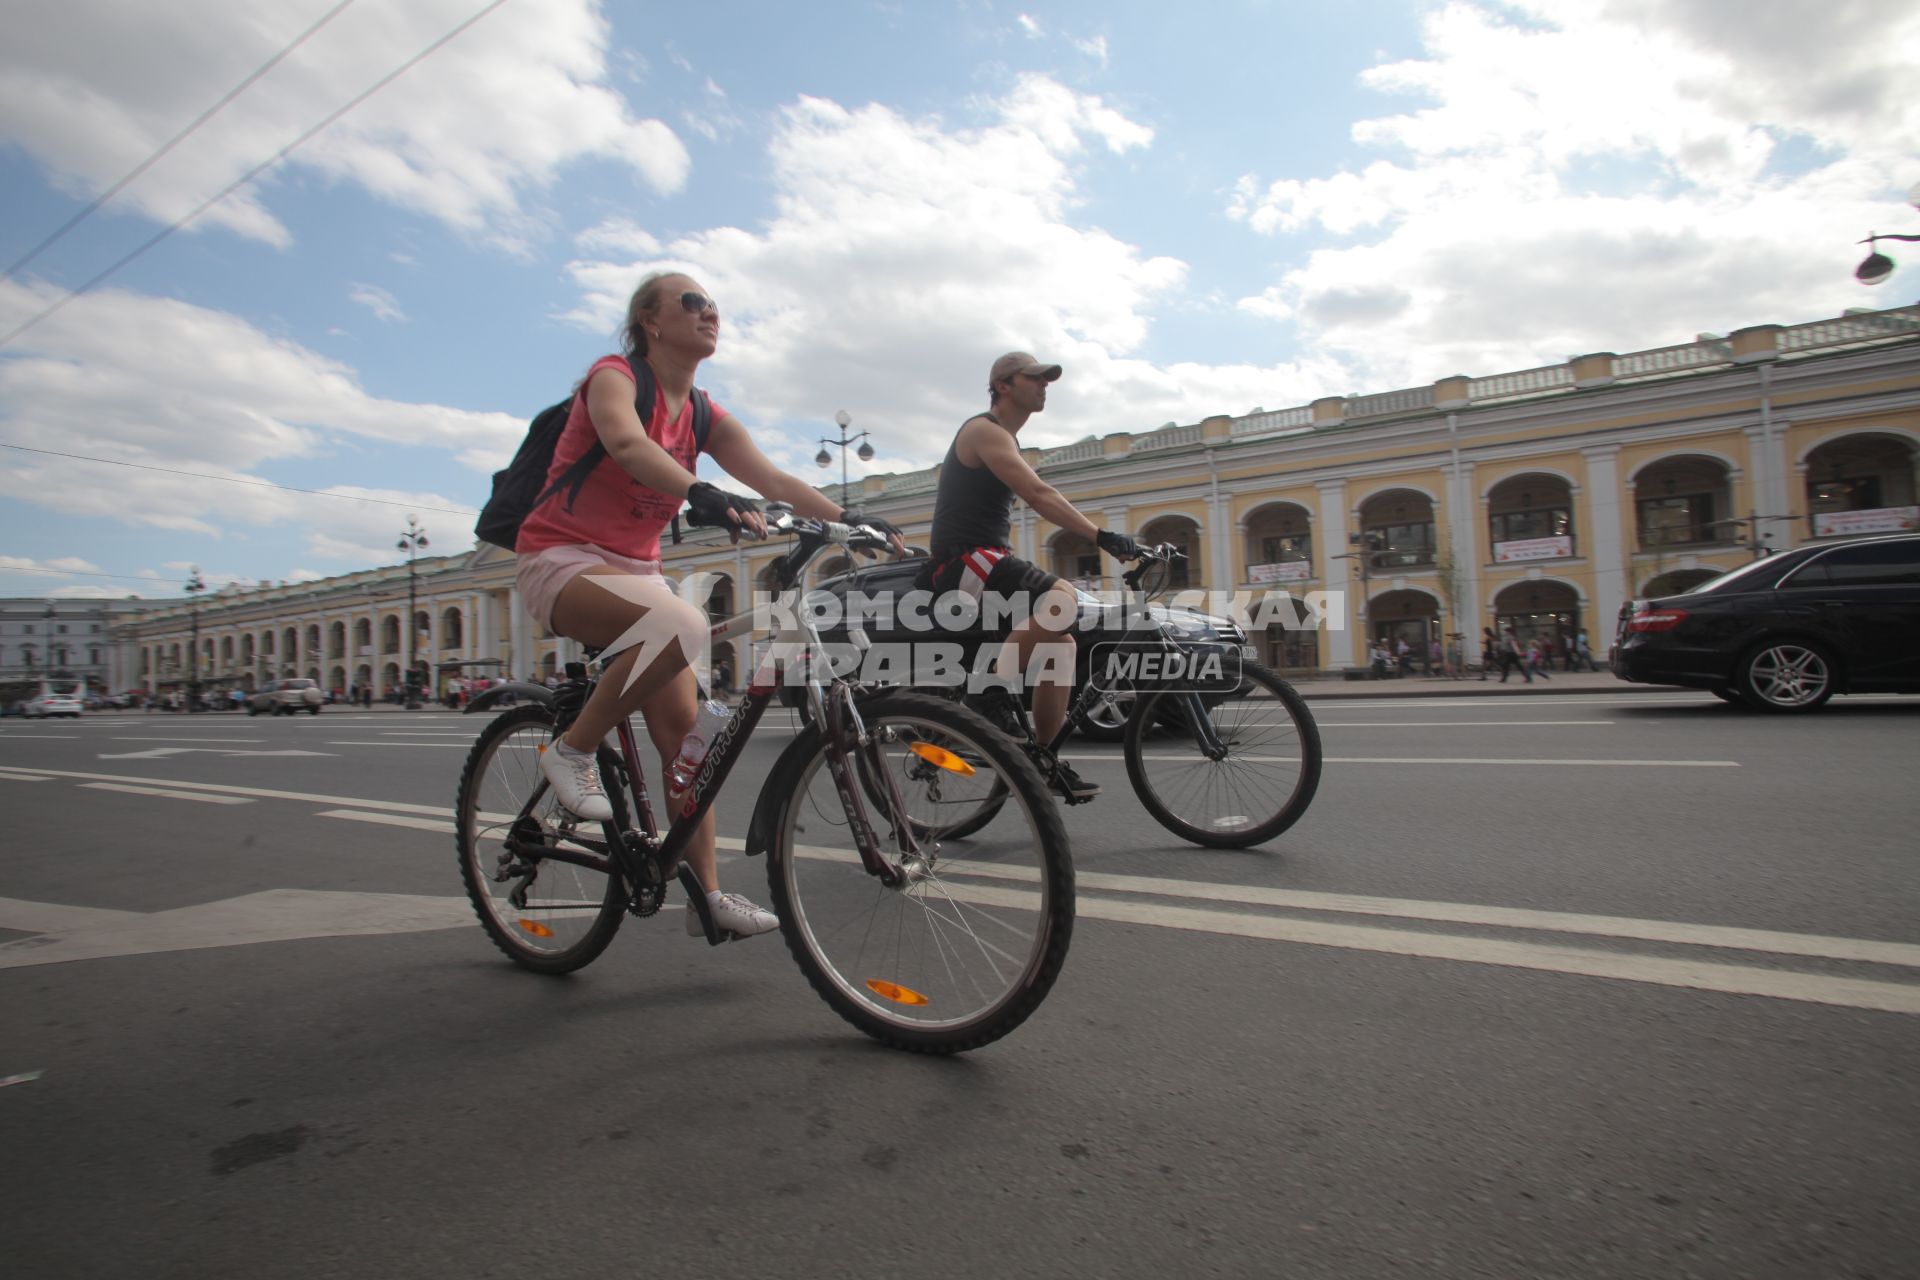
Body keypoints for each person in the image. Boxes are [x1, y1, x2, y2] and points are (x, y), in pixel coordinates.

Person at [518, 270, 903, 942]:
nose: (709, 313)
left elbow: (774, 479)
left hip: (637, 572)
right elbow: (626, 443)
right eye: (692, 303)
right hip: (563, 557)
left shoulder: (701, 410)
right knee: (685, 621)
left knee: (688, 748)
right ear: (651, 322)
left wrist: (855, 518)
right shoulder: (615, 376)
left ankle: (708, 897)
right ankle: (572, 751)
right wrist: (705, 495)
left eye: (714, 305)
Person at [918, 352, 1138, 800]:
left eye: (1047, 379)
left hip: (984, 560)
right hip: (962, 563)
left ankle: (1041, 759)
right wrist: (1104, 536)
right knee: (1064, 599)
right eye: (1034, 378)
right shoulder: (983, 430)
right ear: (1002, 385)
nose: (1044, 385)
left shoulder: (1005, 439)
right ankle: (986, 696)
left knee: (1062, 643)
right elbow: (1038, 493)